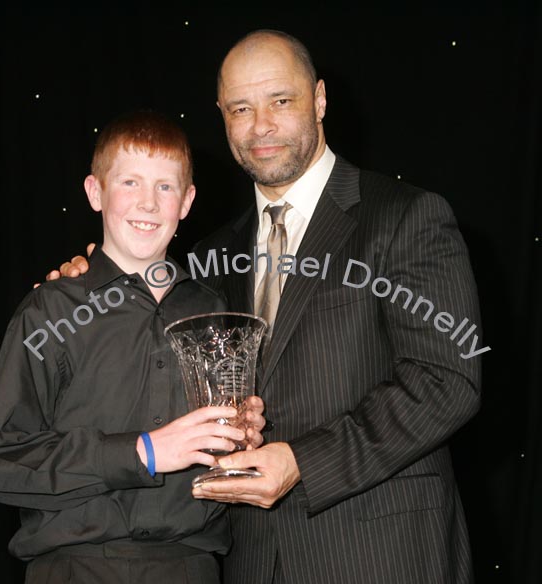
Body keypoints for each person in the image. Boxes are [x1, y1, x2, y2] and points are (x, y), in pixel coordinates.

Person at [50, 30, 486, 584]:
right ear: (222, 116)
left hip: (382, 553)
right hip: (249, 560)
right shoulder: (208, 256)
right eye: (241, 108)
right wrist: (88, 280)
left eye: (281, 101)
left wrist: (302, 461)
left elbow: (448, 379)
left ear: (320, 100)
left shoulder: (407, 217)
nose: (261, 126)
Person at [0, 110, 265, 584]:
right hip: (74, 566)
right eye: (130, 182)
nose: (148, 203)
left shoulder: (215, 311)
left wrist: (248, 432)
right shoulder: (49, 311)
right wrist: (143, 452)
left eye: (165, 187)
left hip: (191, 568)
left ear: (186, 201)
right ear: (95, 192)